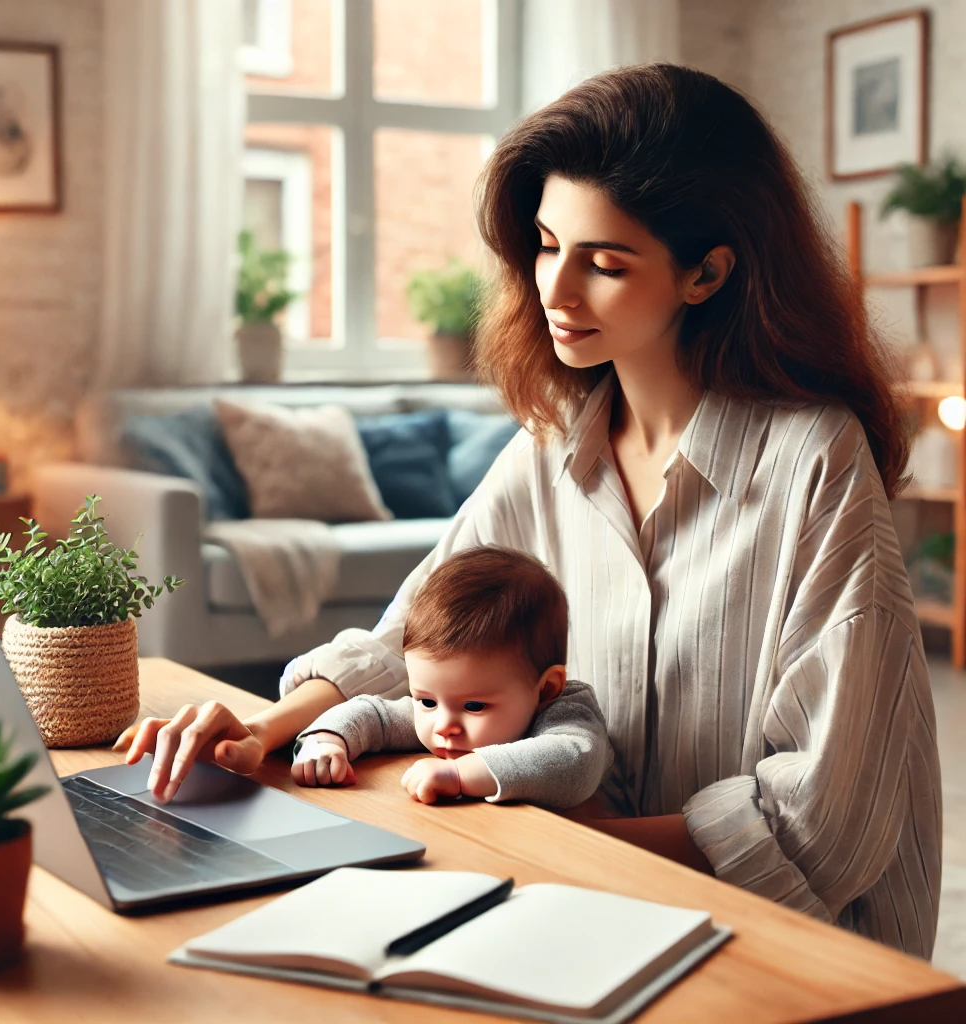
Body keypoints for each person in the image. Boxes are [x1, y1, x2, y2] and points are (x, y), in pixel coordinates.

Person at [115, 64, 941, 958]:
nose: (557, 289)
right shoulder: (554, 445)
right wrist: (266, 726)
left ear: (706, 273)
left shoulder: (814, 458)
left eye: (605, 262)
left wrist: (552, 850)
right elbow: (418, 636)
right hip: (589, 907)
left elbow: (826, 824)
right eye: (548, 245)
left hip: (794, 946)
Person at [291, 546, 614, 809]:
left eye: (474, 706)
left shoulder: (567, 712)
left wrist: (460, 774)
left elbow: (576, 761)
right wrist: (327, 741)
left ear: (545, 689)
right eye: (426, 701)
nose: (444, 726)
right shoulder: (445, 714)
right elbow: (375, 714)